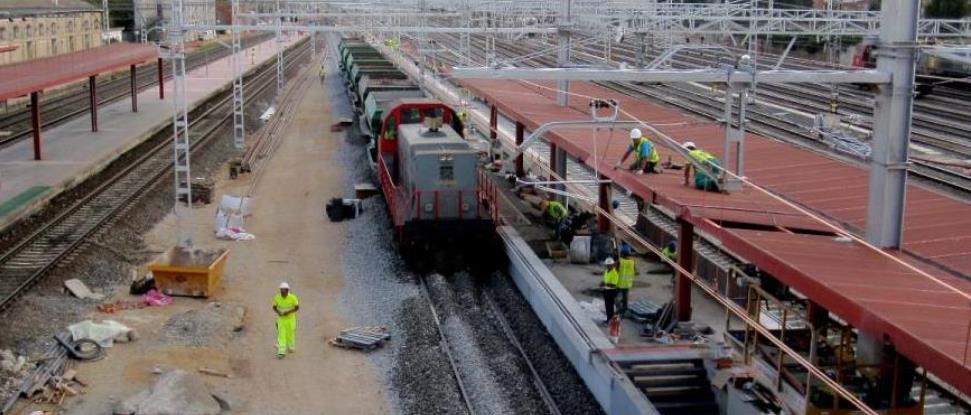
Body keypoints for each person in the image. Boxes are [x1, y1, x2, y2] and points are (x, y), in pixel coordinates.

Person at [272, 282, 300, 359]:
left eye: (284, 291)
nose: (283, 293)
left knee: (290, 333)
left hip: (291, 319)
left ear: (288, 290)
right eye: (281, 291)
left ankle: (291, 347)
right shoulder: (277, 297)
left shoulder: (293, 298)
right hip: (281, 319)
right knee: (281, 334)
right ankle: (281, 351)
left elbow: (297, 307)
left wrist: (288, 312)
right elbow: (274, 307)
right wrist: (279, 312)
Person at [617, 249, 637, 315]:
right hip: (628, 282)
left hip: (620, 282)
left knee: (615, 295)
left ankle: (617, 307)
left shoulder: (620, 261)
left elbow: (616, 270)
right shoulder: (632, 261)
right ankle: (625, 308)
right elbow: (635, 271)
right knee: (625, 296)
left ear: (622, 254)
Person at [601, 257, 619, 324]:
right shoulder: (606, 271)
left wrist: (605, 284)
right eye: (607, 265)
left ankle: (610, 320)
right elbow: (605, 280)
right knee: (607, 306)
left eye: (609, 265)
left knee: (610, 307)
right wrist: (603, 283)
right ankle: (608, 319)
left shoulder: (614, 273)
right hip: (606, 291)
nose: (608, 266)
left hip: (611, 291)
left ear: (612, 265)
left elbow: (614, 285)